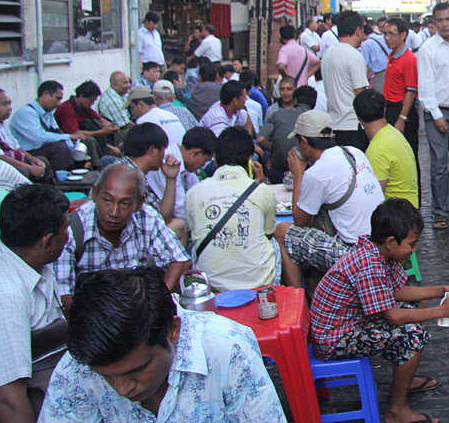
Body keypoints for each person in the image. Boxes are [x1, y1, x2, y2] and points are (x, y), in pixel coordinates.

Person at [38, 267, 286, 422]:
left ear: (173, 331)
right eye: (107, 377)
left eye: (136, 370)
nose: (122, 389)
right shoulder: (77, 367)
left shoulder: (227, 349)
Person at [310, 199, 449, 423]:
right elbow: (393, 315)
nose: (414, 250)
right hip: (335, 337)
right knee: (412, 335)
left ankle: (404, 377)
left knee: (415, 307)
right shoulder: (369, 263)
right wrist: (440, 311)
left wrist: (440, 290)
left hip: (351, 322)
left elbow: (398, 291)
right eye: (411, 245)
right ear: (391, 241)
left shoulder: (381, 251)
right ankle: (396, 411)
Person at [0, 185, 69, 423]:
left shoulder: (30, 259)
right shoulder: (4, 298)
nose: (69, 236)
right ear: (47, 241)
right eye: (66, 229)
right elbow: (6, 402)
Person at [53, 163, 191, 310]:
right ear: (94, 194)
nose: (113, 212)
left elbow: (180, 260)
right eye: (107, 200)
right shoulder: (72, 230)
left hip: (134, 308)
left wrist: (158, 301)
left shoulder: (146, 217)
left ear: (139, 204)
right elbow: (63, 296)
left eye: (124, 203)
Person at [274, 111, 384, 289]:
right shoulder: (354, 152)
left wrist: (298, 174)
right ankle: (314, 286)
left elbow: (300, 222)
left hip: (352, 252)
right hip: (378, 243)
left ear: (303, 141)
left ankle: (298, 299)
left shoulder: (315, 174)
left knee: (282, 231)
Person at [186, 127, 282, 292]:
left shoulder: (193, 193)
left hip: (212, 286)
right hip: (258, 283)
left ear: (215, 159)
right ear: (250, 160)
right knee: (273, 242)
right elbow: (268, 234)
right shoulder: (262, 190)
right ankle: (280, 293)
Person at [416, 3, 449, 230]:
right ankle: (440, 211)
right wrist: (436, 115)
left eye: (448, 19)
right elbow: (425, 86)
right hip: (437, 112)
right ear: (434, 23)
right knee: (439, 163)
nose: (445, 24)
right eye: (440, 20)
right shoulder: (427, 49)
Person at [117, 123, 189, 246]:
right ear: (152, 151)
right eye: (163, 149)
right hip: (126, 242)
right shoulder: (130, 176)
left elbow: (163, 216)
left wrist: (171, 178)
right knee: (181, 225)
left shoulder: (127, 168)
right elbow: (163, 220)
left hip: (128, 235)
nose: (164, 155)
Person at [355, 90, 419, 208]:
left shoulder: (376, 149)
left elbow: (374, 196)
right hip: (408, 208)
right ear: (384, 110)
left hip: (396, 215)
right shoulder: (394, 133)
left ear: (358, 116)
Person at [322, 11, 370, 151]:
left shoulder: (328, 54)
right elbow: (360, 95)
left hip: (333, 124)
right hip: (352, 125)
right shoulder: (354, 56)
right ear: (358, 30)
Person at [9, 81, 81, 173]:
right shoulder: (26, 113)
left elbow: (57, 132)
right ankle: (63, 180)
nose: (59, 103)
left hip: (42, 148)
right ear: (46, 94)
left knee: (77, 145)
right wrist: (69, 136)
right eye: (57, 99)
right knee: (59, 147)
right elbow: (39, 137)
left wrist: (73, 148)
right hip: (27, 152)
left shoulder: (48, 113)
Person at [0, 89, 50, 182]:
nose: (9, 108)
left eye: (9, 104)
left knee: (42, 161)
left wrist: (31, 158)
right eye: (4, 104)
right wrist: (29, 167)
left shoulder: (0, 123)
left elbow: (15, 146)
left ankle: (48, 192)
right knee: (23, 171)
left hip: (11, 159)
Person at [382, 18, 420, 173]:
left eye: (391, 34)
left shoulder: (409, 59)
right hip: (391, 109)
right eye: (385, 34)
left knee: (408, 157)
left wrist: (402, 119)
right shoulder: (393, 56)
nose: (387, 38)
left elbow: (410, 92)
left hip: (403, 111)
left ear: (403, 35)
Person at [258, 84, 316, 184]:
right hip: (310, 171)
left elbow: (261, 139)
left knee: (266, 155)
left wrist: (276, 150)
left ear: (295, 100)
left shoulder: (277, 114)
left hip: (279, 172)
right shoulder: (318, 118)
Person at [53, 81, 118, 165]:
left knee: (109, 134)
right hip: (69, 139)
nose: (92, 104)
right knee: (89, 140)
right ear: (81, 96)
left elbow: (99, 118)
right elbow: (74, 133)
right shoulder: (67, 109)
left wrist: (108, 125)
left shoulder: (83, 106)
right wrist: (101, 132)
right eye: (91, 101)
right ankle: (96, 165)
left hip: (80, 133)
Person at [128, 86, 185, 150]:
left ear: (141, 104)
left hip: (165, 158)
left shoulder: (144, 120)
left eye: (132, 108)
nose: (132, 112)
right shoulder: (170, 115)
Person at [277, 23, 321, 88]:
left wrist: (288, 79)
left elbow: (280, 66)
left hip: (290, 88)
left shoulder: (284, 50)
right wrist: (306, 76)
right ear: (294, 36)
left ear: (281, 37)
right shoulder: (304, 50)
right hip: (302, 88)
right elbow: (318, 62)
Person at [361, 18, 392, 94]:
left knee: (381, 95)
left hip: (380, 74)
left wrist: (364, 80)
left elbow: (366, 64)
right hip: (390, 69)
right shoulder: (382, 38)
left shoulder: (366, 44)